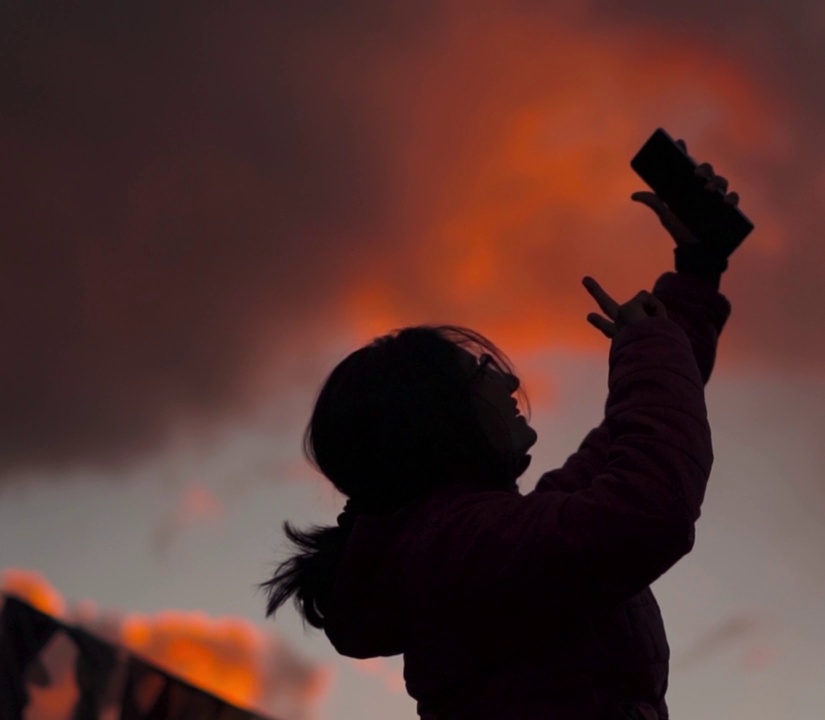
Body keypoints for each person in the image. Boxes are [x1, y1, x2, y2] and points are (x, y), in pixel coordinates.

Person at [261, 139, 741, 720]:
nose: (509, 385)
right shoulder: (460, 550)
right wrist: (647, 344)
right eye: (480, 373)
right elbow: (647, 507)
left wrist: (696, 272)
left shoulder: (475, 543)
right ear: (434, 421)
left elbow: (628, 438)